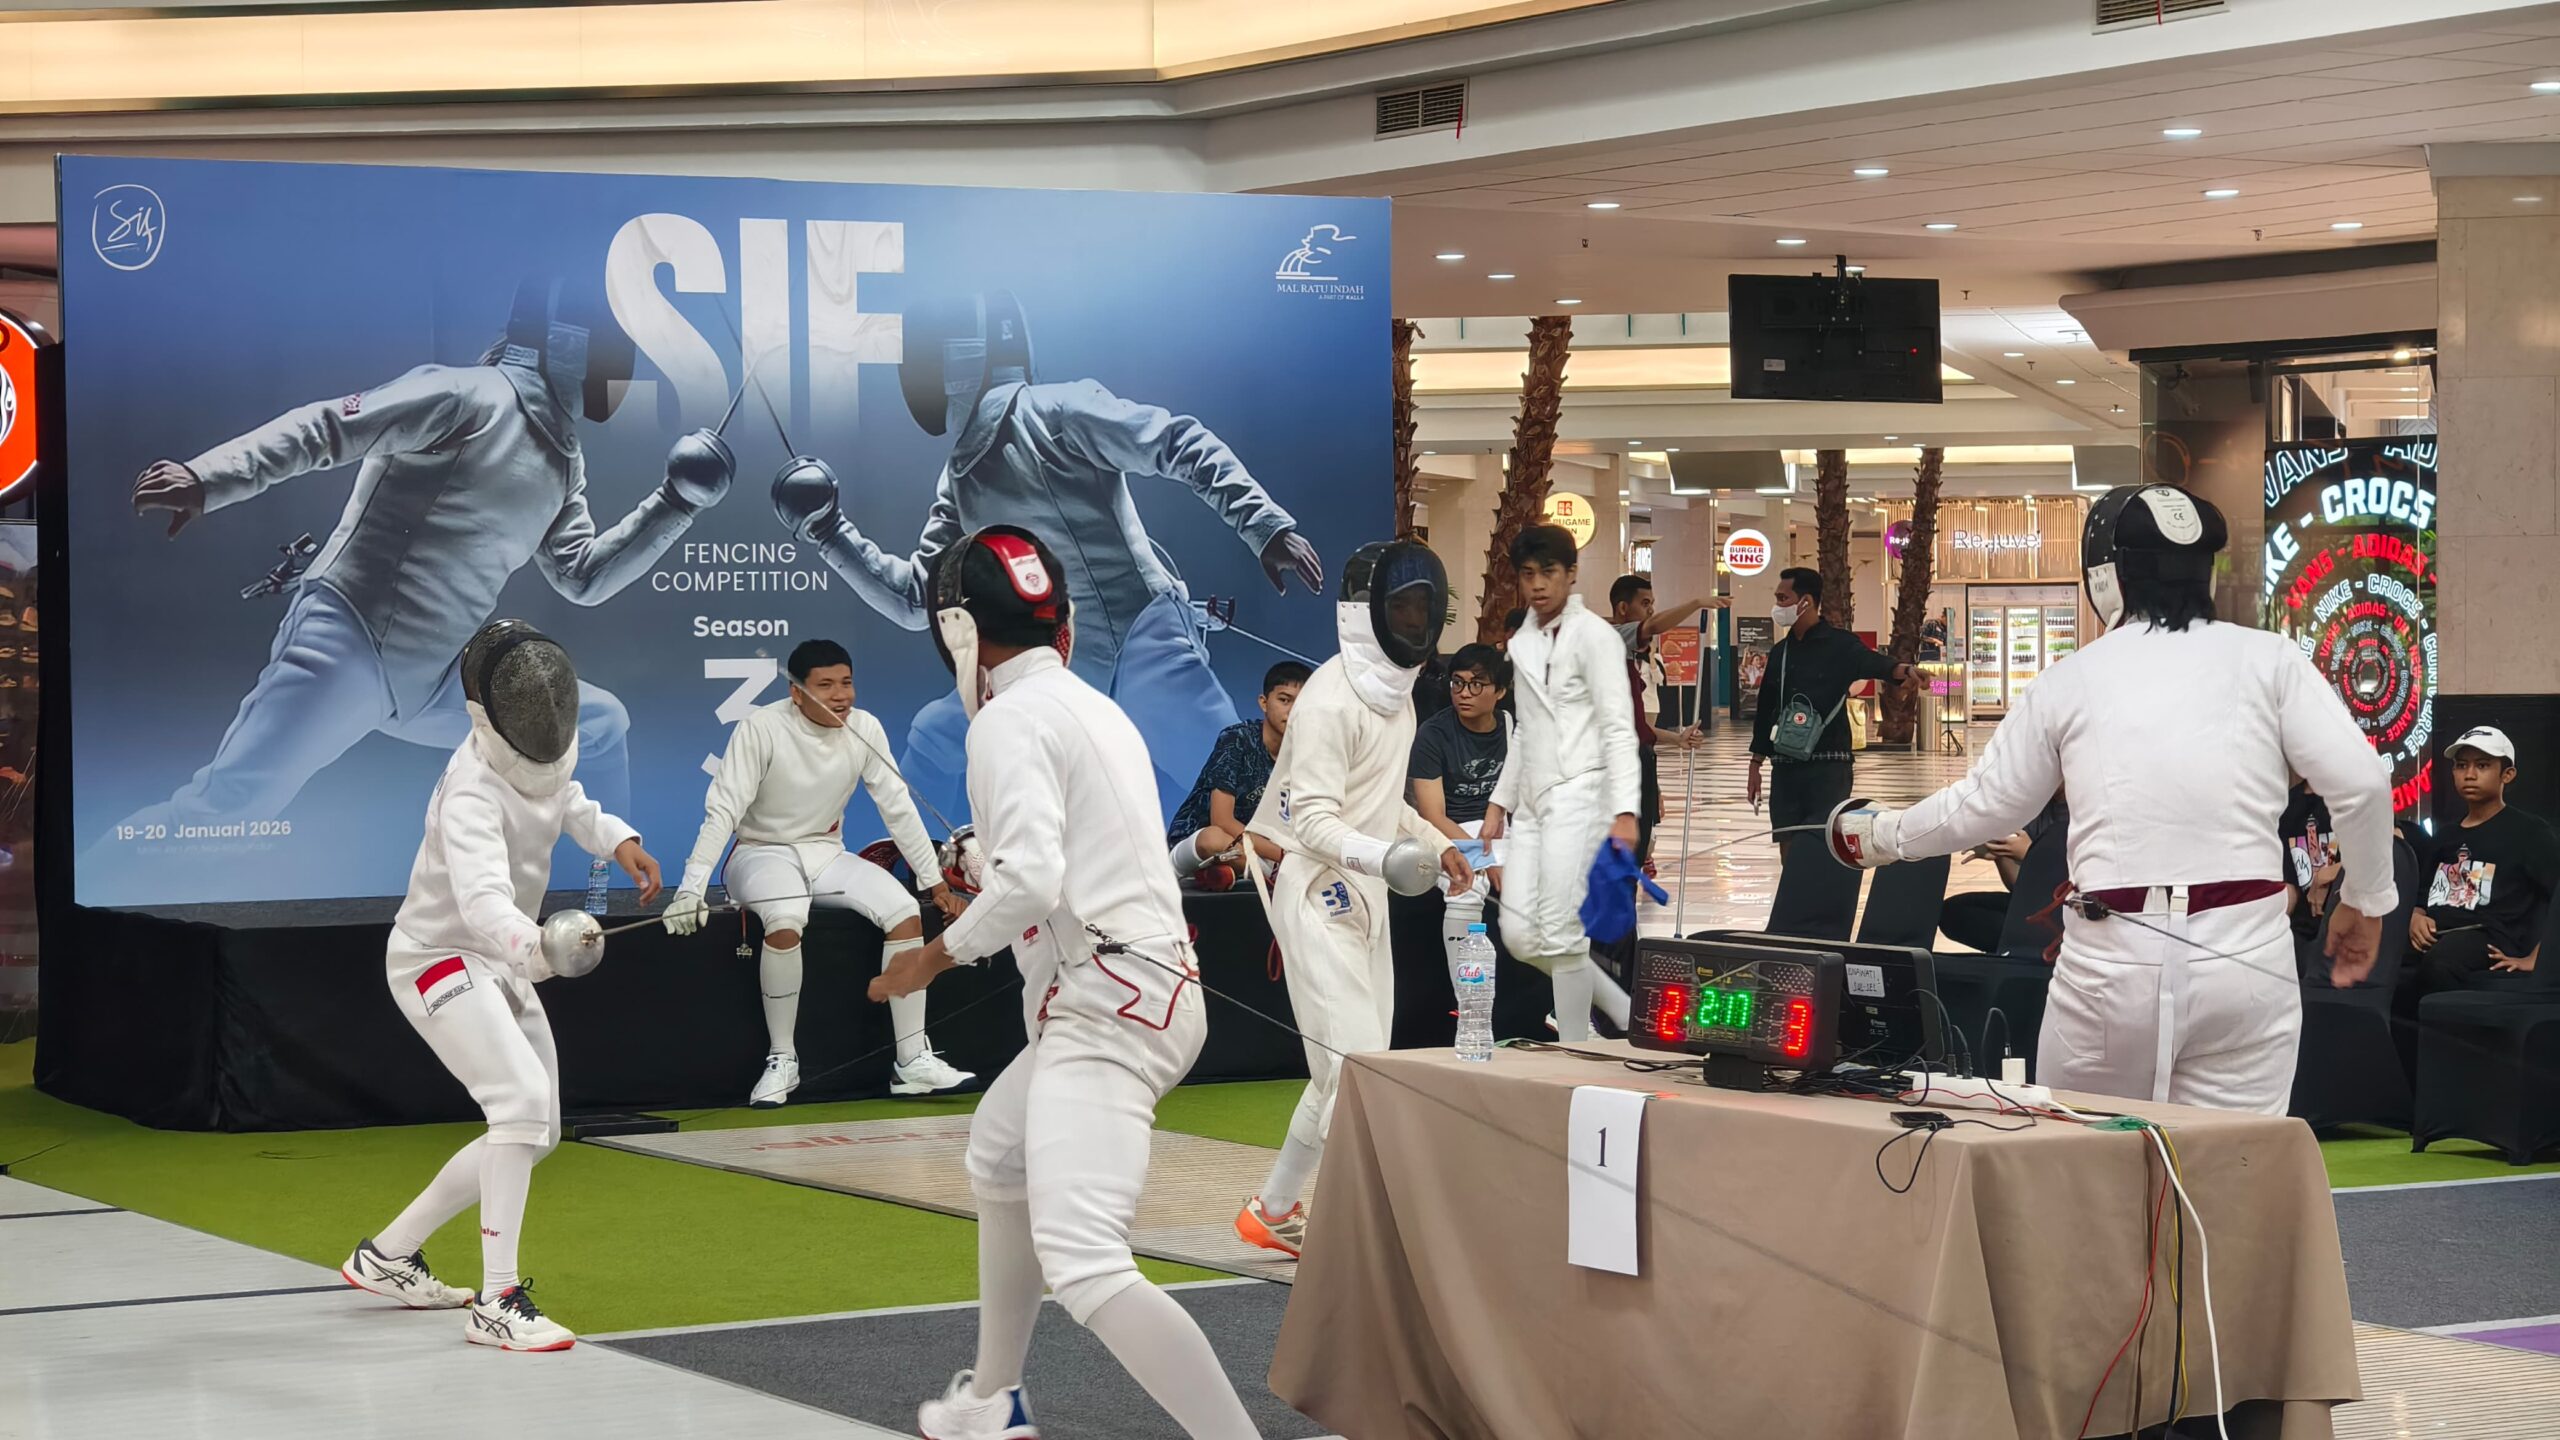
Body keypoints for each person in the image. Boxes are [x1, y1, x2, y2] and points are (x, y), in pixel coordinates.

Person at [106, 277, 733, 869]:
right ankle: (93, 897)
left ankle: (605, 882)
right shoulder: (465, 394)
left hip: (440, 679)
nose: (624, 372)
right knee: (220, 815)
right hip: (348, 646)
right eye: (615, 350)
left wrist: (675, 502)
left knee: (598, 723)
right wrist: (208, 478)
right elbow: (329, 427)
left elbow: (582, 577)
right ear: (571, 343)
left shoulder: (562, 461)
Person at [869, 525, 1263, 1440]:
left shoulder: (1006, 721)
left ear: (957, 633)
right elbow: (1066, 855)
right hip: (1142, 988)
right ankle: (994, 1400)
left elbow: (1033, 884)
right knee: (998, 1155)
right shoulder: (1089, 705)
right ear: (1064, 624)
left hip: (1110, 1003)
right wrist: (990, 861)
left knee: (1086, 1263)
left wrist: (931, 956)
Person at [1825, 485, 2393, 1115]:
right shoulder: (2273, 660)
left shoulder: (2072, 678)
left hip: (2111, 968)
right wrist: (2365, 903)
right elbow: (2363, 783)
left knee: (2085, 1160)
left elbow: (1988, 805)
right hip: (2246, 965)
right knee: (2235, 1163)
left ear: (2106, 577)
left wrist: (1877, 834)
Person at [771, 290, 1325, 826]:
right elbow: (919, 600)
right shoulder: (961, 475)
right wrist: (828, 531)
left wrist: (1264, 526)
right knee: (937, 733)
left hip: (1143, 642)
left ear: (952, 359)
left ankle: (1304, 856)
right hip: (1056, 660)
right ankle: (917, 864)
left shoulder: (1058, 409)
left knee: (1239, 781)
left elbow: (1177, 441)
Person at [342, 620, 663, 1351]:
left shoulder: (543, 748)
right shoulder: (470, 792)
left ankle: (388, 1255)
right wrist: (538, 949)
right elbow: (484, 902)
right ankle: (497, 1301)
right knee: (517, 1104)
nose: (543, 712)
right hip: (439, 958)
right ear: (487, 712)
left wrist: (616, 838)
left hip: (498, 960)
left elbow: (564, 798)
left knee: (535, 1130)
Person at [1235, 541, 1469, 1260]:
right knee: (1360, 1070)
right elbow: (1311, 821)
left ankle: (1271, 1211)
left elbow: (1379, 804)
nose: (1414, 621)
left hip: (1366, 892)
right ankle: (1365, 1244)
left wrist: (1436, 845)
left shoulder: (1398, 701)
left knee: (1345, 1066)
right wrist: (1386, 858)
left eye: (1423, 609)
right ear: (1365, 614)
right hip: (1315, 891)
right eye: (1403, 608)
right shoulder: (1329, 703)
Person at [663, 639, 973, 1108]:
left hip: (826, 853)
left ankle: (911, 1062)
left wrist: (935, 883)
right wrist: (691, 889)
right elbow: (723, 810)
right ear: (796, 692)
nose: (840, 695)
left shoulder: (864, 728)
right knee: (787, 918)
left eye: (846, 683)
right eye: (825, 685)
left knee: (904, 911)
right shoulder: (761, 728)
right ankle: (782, 1059)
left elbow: (898, 808)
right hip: (759, 854)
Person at [1479, 525, 1640, 1043]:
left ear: (1571, 574)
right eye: (1528, 574)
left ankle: (1576, 1043)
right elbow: (1524, 731)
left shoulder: (1595, 638)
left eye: (1548, 572)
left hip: (1583, 794)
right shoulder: (1523, 639)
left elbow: (1619, 727)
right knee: (1519, 935)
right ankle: (1619, 1006)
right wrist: (1498, 803)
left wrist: (1625, 811)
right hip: (1531, 804)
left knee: (1561, 930)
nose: (1538, 584)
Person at [1748, 568, 1914, 832]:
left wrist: (1904, 671)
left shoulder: (1840, 645)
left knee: (1821, 841)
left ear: (1806, 602)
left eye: (1783, 598)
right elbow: (1767, 708)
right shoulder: (1781, 652)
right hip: (1785, 766)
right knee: (1787, 839)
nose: (1778, 606)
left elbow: (1873, 663)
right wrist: (1755, 764)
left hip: (1829, 766)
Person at [2412, 726, 2558, 991]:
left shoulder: (2530, 832)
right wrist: (2416, 917)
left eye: (2482, 765)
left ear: (2507, 774)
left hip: (2487, 937)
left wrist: (2538, 959)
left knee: (2441, 961)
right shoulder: (2445, 836)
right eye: (2461, 765)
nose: (2469, 775)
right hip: (2434, 933)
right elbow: (2421, 896)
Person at [1410, 643, 1510, 981]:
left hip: (1502, 827)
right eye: (1457, 683)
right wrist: (1484, 857)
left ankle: (1554, 1000)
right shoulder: (1433, 734)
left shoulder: (1512, 729)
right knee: (1466, 887)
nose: (1464, 693)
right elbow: (1432, 815)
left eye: (1476, 684)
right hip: (1449, 832)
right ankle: (1469, 996)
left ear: (1500, 691)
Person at [1608, 574, 1718, 865]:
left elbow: (1638, 727)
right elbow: (1653, 625)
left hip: (1639, 758)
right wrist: (1696, 603)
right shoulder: (1611, 637)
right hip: (1618, 766)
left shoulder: (1628, 656)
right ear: (1623, 608)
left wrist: (1677, 739)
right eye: (1645, 603)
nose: (1651, 610)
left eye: (1652, 603)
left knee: (1639, 844)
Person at [1167, 662, 1307, 883]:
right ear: (1263, 702)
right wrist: (1285, 856)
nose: (1292, 711)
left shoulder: (1307, 754)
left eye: (1302, 703)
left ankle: (1226, 873)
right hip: (1198, 843)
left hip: (1258, 852)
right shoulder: (1237, 740)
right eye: (1284, 700)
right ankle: (1267, 879)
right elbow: (1222, 821)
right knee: (1213, 839)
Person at [1937, 793, 2068, 955]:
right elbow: (2020, 889)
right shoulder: (2037, 807)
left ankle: (2037, 950)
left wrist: (2032, 854)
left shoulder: (2086, 812)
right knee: (1952, 912)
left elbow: (2077, 885)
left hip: (2074, 912)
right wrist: (2000, 852)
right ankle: (2020, 950)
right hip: (2040, 906)